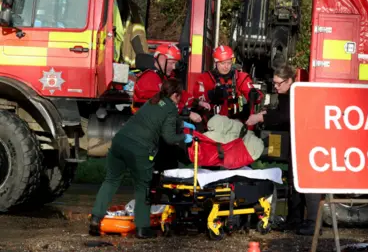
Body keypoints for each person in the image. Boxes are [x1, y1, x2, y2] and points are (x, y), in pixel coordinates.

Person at [89, 78, 196, 239]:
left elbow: (157, 119)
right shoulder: (171, 109)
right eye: (179, 96)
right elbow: (169, 137)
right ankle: (142, 228)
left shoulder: (153, 100)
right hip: (139, 149)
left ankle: (96, 218)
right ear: (175, 95)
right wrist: (185, 136)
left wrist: (180, 124)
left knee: (110, 181)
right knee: (143, 187)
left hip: (119, 142)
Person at [245, 65, 321, 236]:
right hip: (297, 142)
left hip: (307, 143)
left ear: (289, 81)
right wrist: (268, 112)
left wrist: (261, 117)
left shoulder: (296, 93)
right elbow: (282, 113)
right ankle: (295, 220)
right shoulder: (286, 94)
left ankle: (312, 223)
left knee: (307, 184)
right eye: (275, 84)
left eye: (279, 84)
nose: (276, 87)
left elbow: (287, 115)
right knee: (294, 182)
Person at [132, 43, 210, 123]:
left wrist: (197, 102)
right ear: (162, 59)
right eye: (172, 63)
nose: (173, 67)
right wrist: (187, 112)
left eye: (175, 64)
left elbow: (177, 94)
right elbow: (161, 102)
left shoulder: (163, 77)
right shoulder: (149, 79)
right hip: (146, 124)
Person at [193, 45, 263, 123]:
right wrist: (211, 95)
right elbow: (197, 102)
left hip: (236, 123)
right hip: (213, 124)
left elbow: (256, 97)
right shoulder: (205, 79)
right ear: (216, 62)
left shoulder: (240, 77)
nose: (226, 66)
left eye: (229, 63)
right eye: (223, 63)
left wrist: (255, 95)